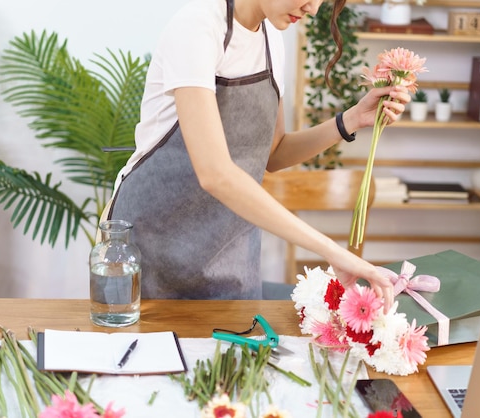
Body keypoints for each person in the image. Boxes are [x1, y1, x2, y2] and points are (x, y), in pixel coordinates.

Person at [106, 0, 410, 309]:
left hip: (230, 262)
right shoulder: (198, 27)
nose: (314, 9)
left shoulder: (271, 40)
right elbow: (216, 174)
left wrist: (352, 119)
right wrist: (332, 251)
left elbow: (273, 153)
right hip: (151, 254)